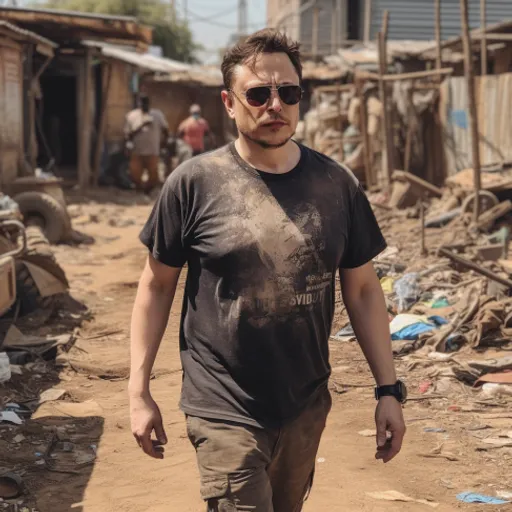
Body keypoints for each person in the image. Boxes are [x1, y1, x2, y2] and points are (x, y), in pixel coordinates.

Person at [129, 29, 406, 512]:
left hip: (305, 404)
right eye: (258, 94)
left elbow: (362, 290)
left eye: (288, 93)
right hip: (222, 406)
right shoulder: (194, 184)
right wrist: (139, 391)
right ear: (229, 104)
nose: (274, 105)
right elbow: (156, 286)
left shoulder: (336, 185)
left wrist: (388, 390)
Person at [124, 94, 168, 193]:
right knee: (135, 174)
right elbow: (128, 135)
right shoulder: (132, 116)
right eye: (142, 102)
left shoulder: (157, 115)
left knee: (154, 176)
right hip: (137, 150)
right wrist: (141, 126)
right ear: (138, 103)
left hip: (153, 150)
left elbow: (165, 130)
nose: (144, 105)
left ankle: (147, 191)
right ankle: (139, 190)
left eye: (146, 102)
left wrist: (164, 144)